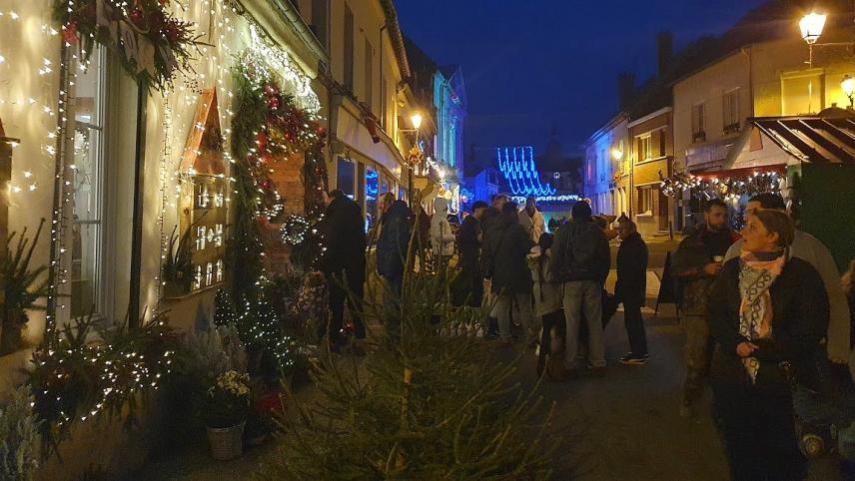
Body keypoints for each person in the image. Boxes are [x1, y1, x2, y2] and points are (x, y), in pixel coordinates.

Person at [708, 210, 828, 481]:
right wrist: (735, 343)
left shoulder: (801, 275)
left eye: (752, 228)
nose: (744, 233)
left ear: (773, 236)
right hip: (734, 379)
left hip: (781, 381)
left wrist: (771, 344)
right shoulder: (732, 271)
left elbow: (812, 325)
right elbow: (715, 313)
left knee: (782, 455)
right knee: (740, 452)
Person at [725, 193, 851, 366]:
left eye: (756, 211)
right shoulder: (736, 252)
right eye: (748, 213)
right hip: (748, 351)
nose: (750, 218)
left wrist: (838, 346)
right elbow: (722, 303)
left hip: (802, 352)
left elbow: (834, 297)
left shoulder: (810, 249)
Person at [672, 198, 738, 416]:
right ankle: (689, 398)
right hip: (698, 307)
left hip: (728, 308)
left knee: (725, 359)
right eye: (717, 215)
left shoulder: (734, 241)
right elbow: (678, 270)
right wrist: (703, 269)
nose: (722, 219)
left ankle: (721, 403)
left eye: (725, 215)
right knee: (696, 358)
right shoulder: (693, 242)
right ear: (707, 216)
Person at [551, 201, 611, 376]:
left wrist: (559, 277)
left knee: (572, 322)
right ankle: (598, 361)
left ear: (573, 214)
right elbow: (605, 259)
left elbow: (556, 257)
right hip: (592, 280)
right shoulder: (597, 233)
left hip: (570, 282)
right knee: (594, 321)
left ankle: (571, 362)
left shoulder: (564, 231)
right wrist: (600, 279)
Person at [320, 190, 367, 349]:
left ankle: (335, 339)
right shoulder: (354, 211)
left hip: (338, 267)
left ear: (332, 198)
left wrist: (325, 266)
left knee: (337, 304)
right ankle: (360, 338)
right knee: (356, 304)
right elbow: (362, 240)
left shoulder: (335, 214)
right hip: (356, 265)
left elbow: (332, 242)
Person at [487, 201, 535, 344]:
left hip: (500, 274)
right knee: (524, 306)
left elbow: (488, 253)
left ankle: (504, 336)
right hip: (519, 272)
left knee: (503, 306)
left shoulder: (493, 230)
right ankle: (529, 337)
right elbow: (528, 247)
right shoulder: (517, 229)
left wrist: (488, 273)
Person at [529, 232, 564, 378]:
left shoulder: (534, 257)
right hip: (550, 294)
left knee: (546, 327)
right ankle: (549, 363)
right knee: (553, 329)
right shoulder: (548, 257)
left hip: (539, 294)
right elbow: (549, 276)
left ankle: (541, 363)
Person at [375, 198, 412, 339]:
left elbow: (394, 244)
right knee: (393, 299)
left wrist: (388, 267)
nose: (379, 206)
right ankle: (394, 333)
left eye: (381, 203)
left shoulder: (395, 218)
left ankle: (394, 336)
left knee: (392, 299)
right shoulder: (394, 216)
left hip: (393, 267)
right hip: (394, 266)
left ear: (388, 203)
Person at [615, 219, 649, 365]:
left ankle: (639, 352)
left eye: (622, 230)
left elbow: (631, 270)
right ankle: (638, 350)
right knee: (632, 320)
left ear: (630, 230)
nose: (619, 232)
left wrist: (622, 288)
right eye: (618, 229)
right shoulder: (633, 243)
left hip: (631, 288)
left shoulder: (633, 245)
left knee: (633, 321)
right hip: (631, 287)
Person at [454, 201, 487, 308]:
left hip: (468, 257)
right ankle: (472, 304)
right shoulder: (474, 223)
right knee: (473, 282)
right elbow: (479, 238)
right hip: (472, 257)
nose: (485, 213)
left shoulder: (467, 222)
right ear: (477, 210)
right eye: (483, 210)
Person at [431, 197, 456, 267]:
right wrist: (454, 237)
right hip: (442, 251)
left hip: (443, 251)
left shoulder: (440, 218)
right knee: (442, 272)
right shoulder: (439, 219)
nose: (447, 208)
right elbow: (439, 236)